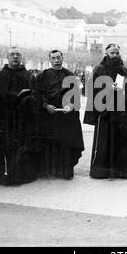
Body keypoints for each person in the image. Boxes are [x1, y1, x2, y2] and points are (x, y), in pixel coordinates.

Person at [0, 47, 38, 185]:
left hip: (22, 119)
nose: (15, 57)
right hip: (4, 119)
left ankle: (22, 174)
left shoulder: (29, 76)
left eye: (18, 54)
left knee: (22, 147)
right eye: (12, 54)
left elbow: (36, 95)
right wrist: (13, 97)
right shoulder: (0, 75)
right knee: (2, 147)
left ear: (22, 57)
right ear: (7, 57)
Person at [83, 43, 127, 179]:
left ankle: (120, 171)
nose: (115, 55)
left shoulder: (124, 70)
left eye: (117, 53)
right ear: (106, 53)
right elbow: (90, 89)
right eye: (112, 53)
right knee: (103, 141)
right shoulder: (99, 69)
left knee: (120, 141)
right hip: (104, 111)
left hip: (120, 111)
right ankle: (100, 171)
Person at [35, 50, 84, 179]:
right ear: (49, 60)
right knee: (50, 142)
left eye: (58, 58)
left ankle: (65, 170)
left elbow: (76, 94)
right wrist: (45, 105)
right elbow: (39, 93)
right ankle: (50, 170)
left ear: (62, 58)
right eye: (53, 58)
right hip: (49, 115)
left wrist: (71, 105)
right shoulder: (43, 75)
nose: (56, 61)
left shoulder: (70, 75)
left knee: (66, 143)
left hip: (66, 116)